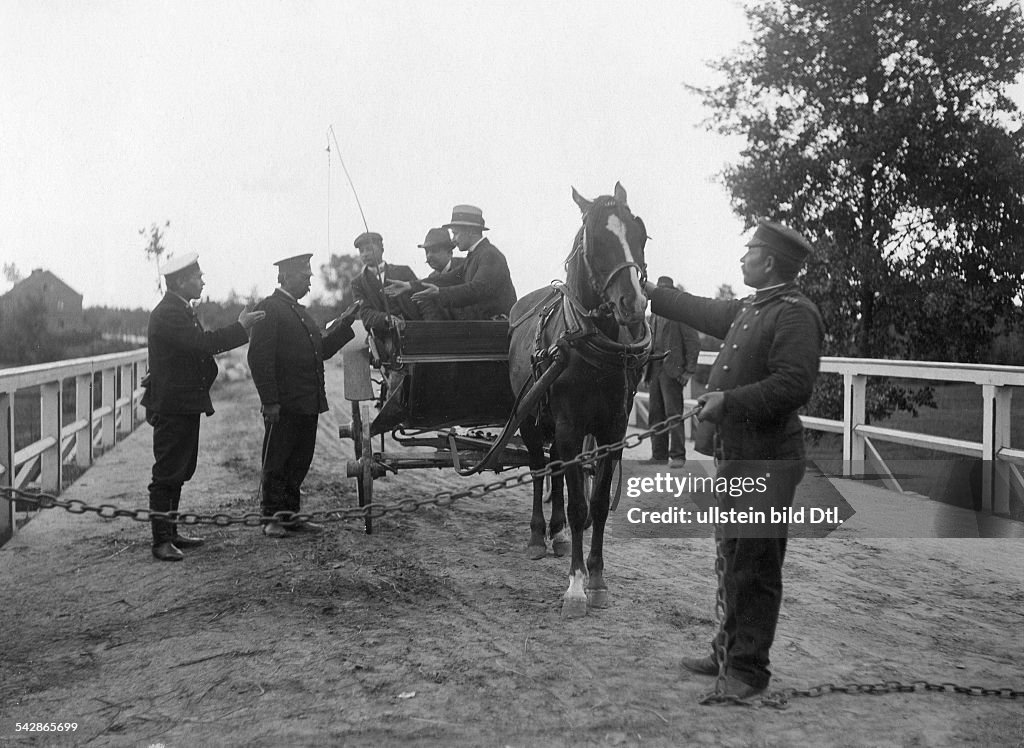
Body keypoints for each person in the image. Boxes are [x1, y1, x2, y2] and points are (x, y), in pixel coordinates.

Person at [646, 220, 823, 700]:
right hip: (738, 455)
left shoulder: (795, 314)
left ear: (767, 261)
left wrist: (729, 401)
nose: (741, 260)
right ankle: (726, 650)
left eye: (748, 254)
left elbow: (793, 385)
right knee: (730, 557)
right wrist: (647, 290)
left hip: (769, 458)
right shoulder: (753, 307)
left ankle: (748, 670)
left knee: (756, 565)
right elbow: (700, 309)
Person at [142, 252, 265, 562]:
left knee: (180, 468)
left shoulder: (179, 309)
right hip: (173, 405)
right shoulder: (170, 313)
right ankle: (160, 541)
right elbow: (203, 344)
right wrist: (241, 328)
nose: (203, 281)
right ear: (181, 281)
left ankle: (170, 532)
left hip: (181, 403)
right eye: (198, 277)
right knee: (168, 471)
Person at [247, 253, 360, 538]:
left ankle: (290, 515)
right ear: (283, 277)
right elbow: (259, 359)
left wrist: (345, 323)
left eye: (310, 276)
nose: (310, 282)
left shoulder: (299, 311)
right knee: (277, 459)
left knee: (299, 461)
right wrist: (270, 400)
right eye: (304, 276)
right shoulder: (270, 308)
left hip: (306, 402)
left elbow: (320, 351)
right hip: (283, 404)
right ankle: (270, 517)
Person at [410, 205, 517, 320]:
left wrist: (439, 293)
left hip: (496, 327)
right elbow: (448, 278)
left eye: (456, 233)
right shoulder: (475, 255)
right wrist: (410, 285)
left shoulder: (489, 255)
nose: (453, 239)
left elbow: (477, 290)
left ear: (470, 231)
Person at [642, 275, 702, 469]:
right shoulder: (654, 313)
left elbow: (693, 343)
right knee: (655, 413)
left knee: (673, 414)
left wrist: (688, 372)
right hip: (655, 368)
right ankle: (658, 455)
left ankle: (678, 455)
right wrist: (646, 370)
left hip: (673, 370)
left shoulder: (680, 312)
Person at [350, 231, 421, 335]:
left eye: (369, 249)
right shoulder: (358, 283)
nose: (365, 254)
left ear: (381, 249)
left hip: (413, 329)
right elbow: (364, 313)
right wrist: (385, 318)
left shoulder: (404, 271)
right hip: (383, 336)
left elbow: (421, 300)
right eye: (361, 251)